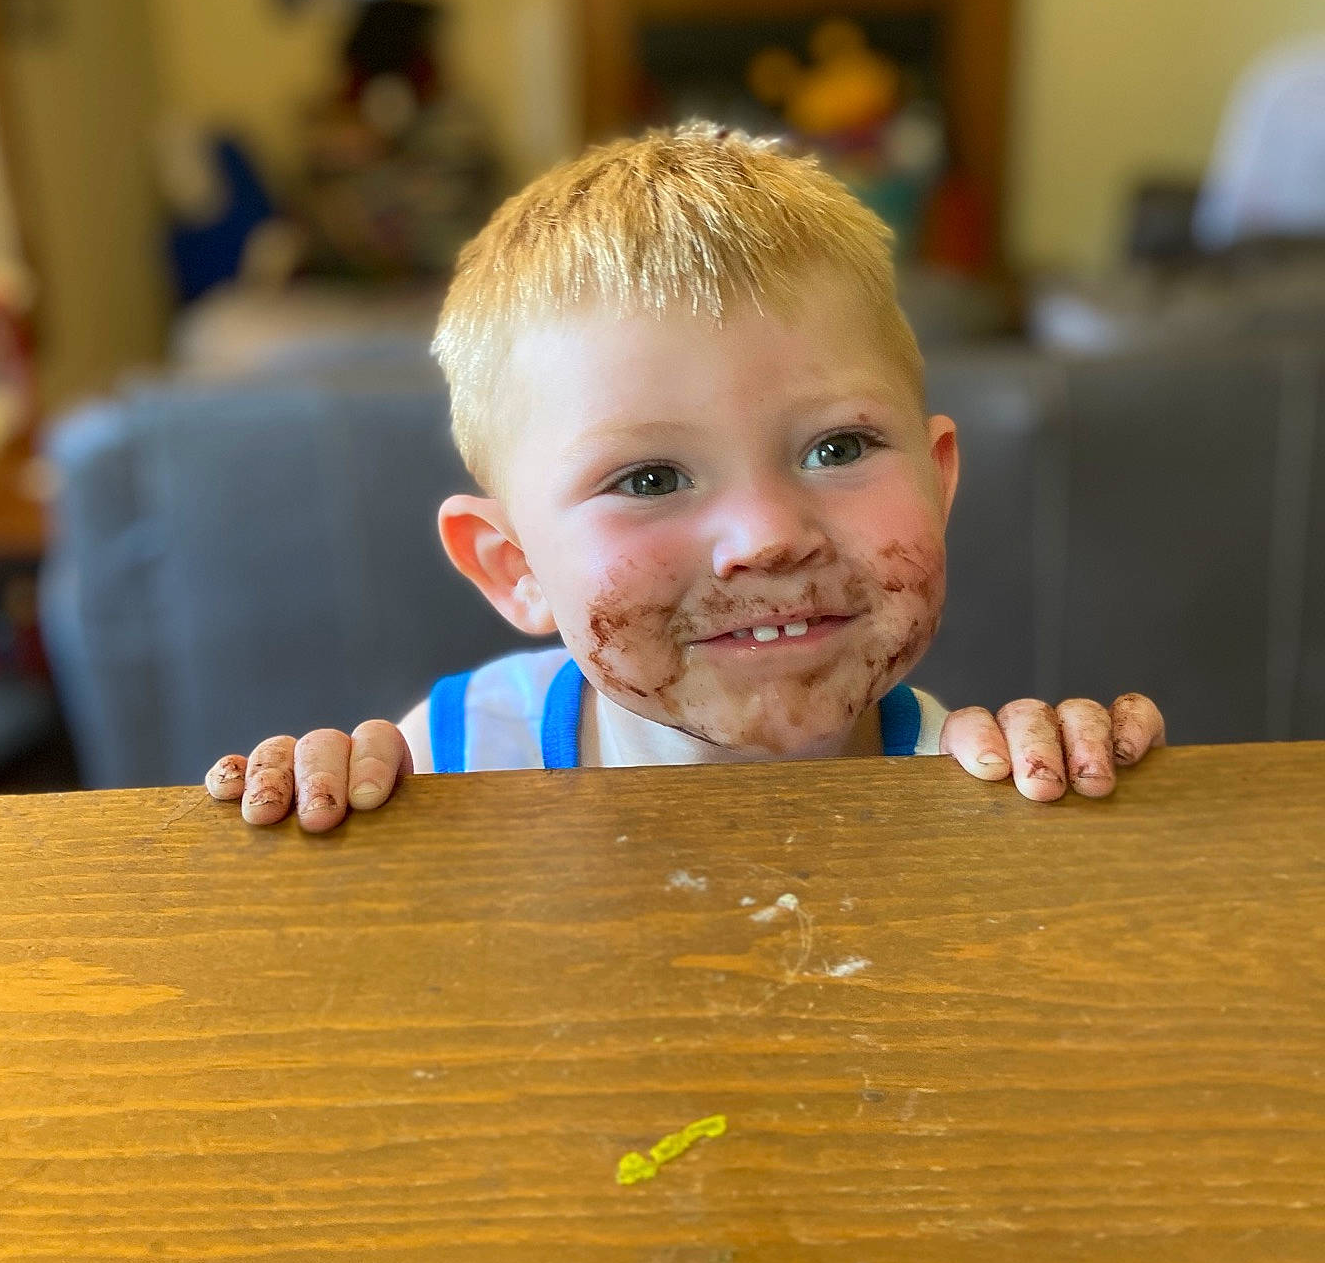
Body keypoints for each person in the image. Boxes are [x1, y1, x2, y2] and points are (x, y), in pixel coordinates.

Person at [206, 125, 1163, 830]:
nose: (768, 536)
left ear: (938, 477)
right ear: (512, 567)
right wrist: (322, 805)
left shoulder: (973, 779)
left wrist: (1068, 790)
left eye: (837, 449)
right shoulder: (455, 763)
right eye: (653, 477)